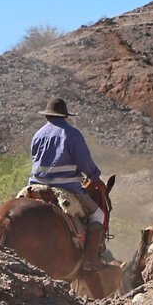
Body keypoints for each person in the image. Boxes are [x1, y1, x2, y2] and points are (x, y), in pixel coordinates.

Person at [27, 98, 108, 271]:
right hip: (66, 187)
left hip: (35, 186)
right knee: (98, 215)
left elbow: (35, 160)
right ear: (65, 116)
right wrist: (95, 178)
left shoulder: (38, 135)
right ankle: (91, 259)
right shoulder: (71, 134)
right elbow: (84, 162)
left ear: (47, 116)